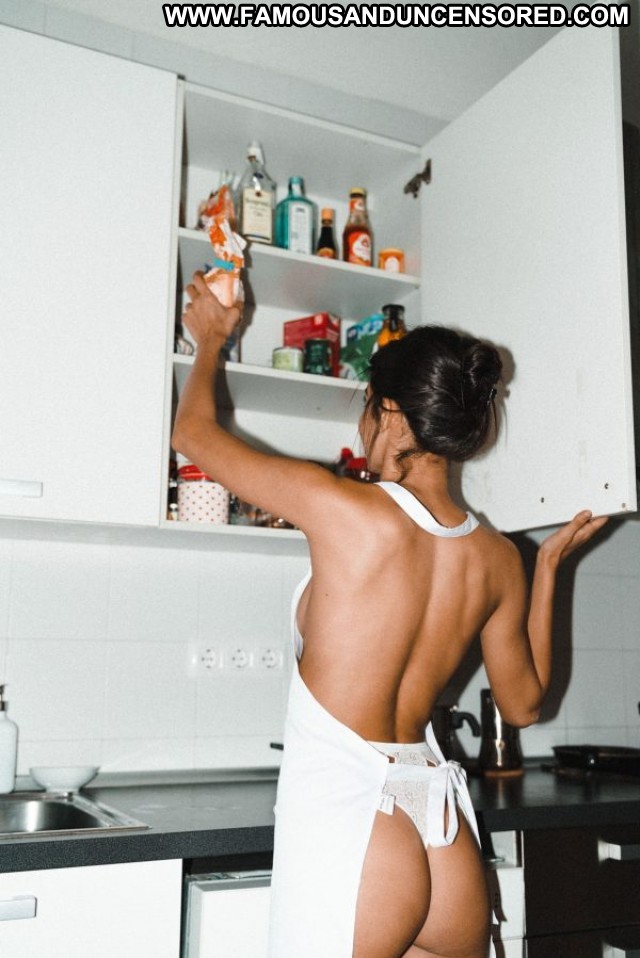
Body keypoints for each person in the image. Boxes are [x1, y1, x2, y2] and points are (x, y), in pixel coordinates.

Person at [172, 271, 608, 958]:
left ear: (392, 414)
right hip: (441, 827)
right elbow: (524, 706)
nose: (362, 426)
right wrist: (549, 565)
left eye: (367, 409)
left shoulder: (343, 508)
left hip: (357, 821)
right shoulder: (499, 556)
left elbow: (193, 434)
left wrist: (210, 340)